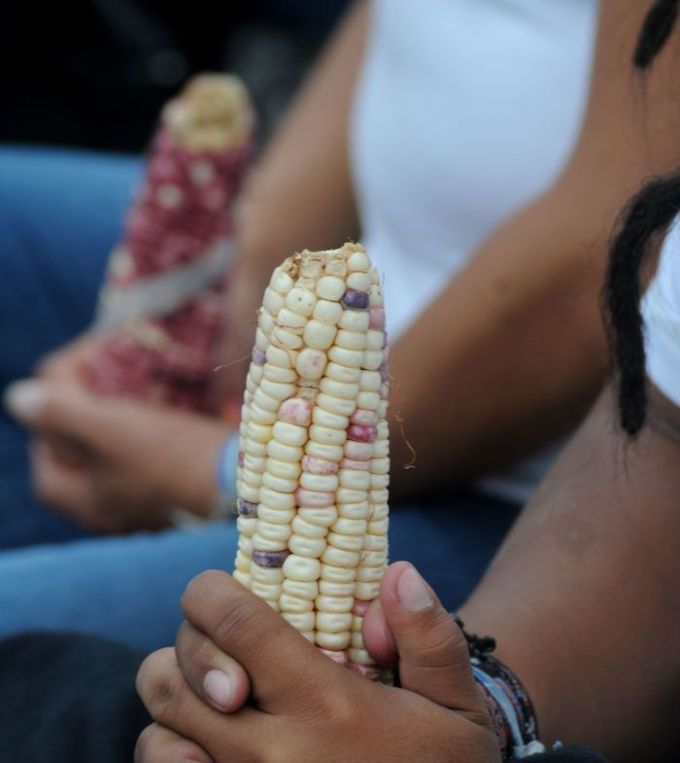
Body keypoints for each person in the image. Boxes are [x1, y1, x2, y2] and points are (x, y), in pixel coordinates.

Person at [2, 0, 672, 648]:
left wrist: (233, 472)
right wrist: (217, 323)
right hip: (355, 308)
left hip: (504, 475)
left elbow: (619, 249)